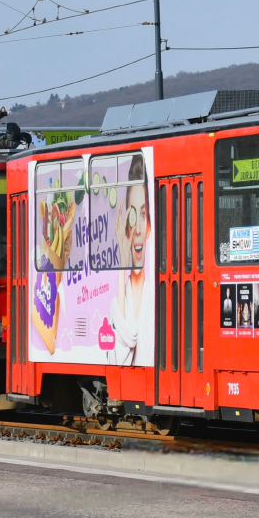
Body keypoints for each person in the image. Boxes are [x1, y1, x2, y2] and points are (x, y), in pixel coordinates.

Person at [111, 155, 153, 366]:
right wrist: (122, 257)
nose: (137, 229)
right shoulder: (118, 300)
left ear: (149, 228)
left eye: (143, 215)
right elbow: (120, 354)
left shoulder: (156, 295)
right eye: (133, 216)